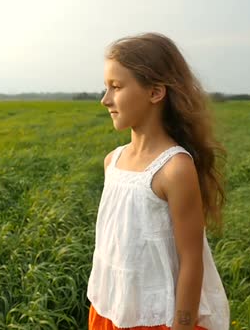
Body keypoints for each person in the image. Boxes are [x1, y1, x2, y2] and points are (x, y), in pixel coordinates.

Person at [86, 32, 230, 330]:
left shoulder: (174, 169)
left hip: (158, 320)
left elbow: (191, 261)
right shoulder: (112, 162)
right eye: (106, 87)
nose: (105, 100)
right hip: (109, 313)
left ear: (155, 93)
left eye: (116, 86)